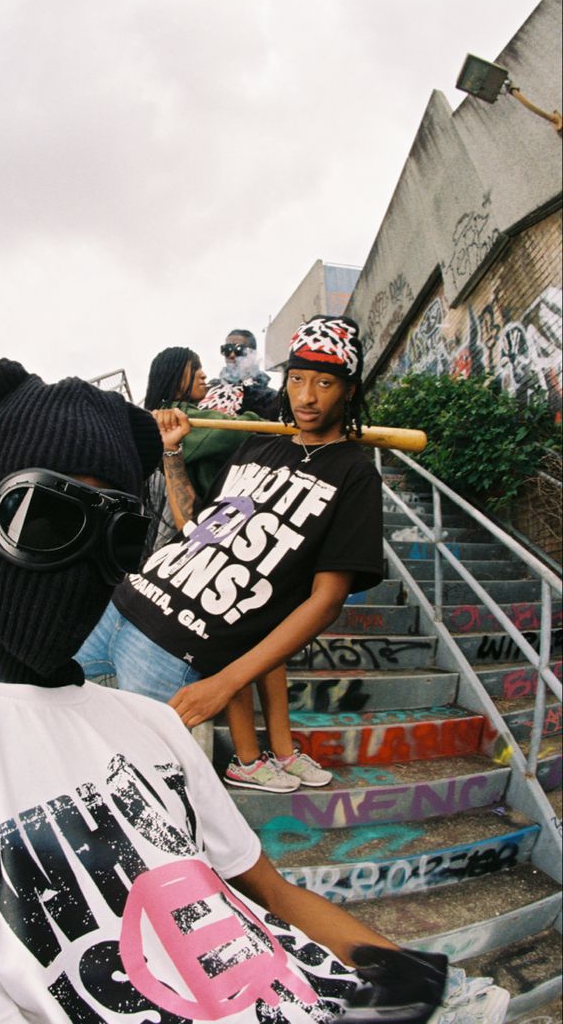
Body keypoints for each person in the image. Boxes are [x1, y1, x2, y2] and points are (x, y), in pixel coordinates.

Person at [0, 357, 455, 1024]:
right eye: (43, 514)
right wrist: (175, 456)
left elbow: (267, 889)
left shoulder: (152, 727)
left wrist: (411, 981)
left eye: (122, 536)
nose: (79, 560)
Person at [76, 316, 381, 794]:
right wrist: (172, 453)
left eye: (323, 383)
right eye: (297, 379)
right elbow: (193, 524)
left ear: (348, 389)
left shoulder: (354, 474)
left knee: (129, 789)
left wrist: (225, 681)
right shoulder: (256, 446)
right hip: (118, 602)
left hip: (174, 648)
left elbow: (326, 601)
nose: (305, 397)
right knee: (21, 712)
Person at [143, 346, 261, 552]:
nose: (203, 374)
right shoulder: (180, 418)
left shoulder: (164, 416)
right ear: (174, 375)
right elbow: (241, 433)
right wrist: (251, 418)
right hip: (194, 531)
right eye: (195, 367)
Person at [198, 327, 279, 419]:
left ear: (253, 354)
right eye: (227, 349)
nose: (232, 355)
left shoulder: (269, 397)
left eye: (239, 349)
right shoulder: (209, 388)